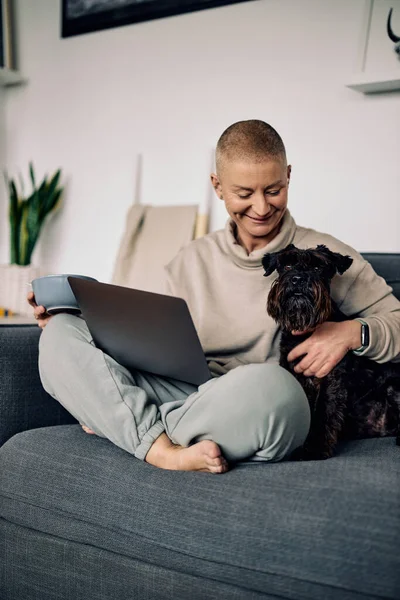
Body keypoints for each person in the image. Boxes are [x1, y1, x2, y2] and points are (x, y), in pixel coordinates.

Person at [28, 120, 400, 474]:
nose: (261, 207)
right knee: (61, 332)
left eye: (273, 190)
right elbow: (143, 342)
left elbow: (395, 320)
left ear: (288, 176)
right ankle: (162, 450)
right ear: (217, 186)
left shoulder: (326, 256)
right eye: (244, 193)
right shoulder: (190, 260)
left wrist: (351, 333)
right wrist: (81, 328)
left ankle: (127, 424)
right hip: (186, 393)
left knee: (279, 391)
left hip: (254, 402)